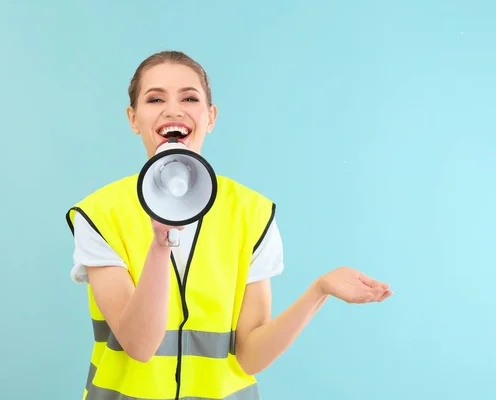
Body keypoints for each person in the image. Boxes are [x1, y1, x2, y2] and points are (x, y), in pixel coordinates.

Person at [65, 50, 392, 400]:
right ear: (133, 119)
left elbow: (249, 357)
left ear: (210, 117)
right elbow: (139, 346)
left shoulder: (252, 213)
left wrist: (318, 291)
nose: (173, 109)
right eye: (155, 98)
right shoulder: (100, 213)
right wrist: (160, 244)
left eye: (189, 97)